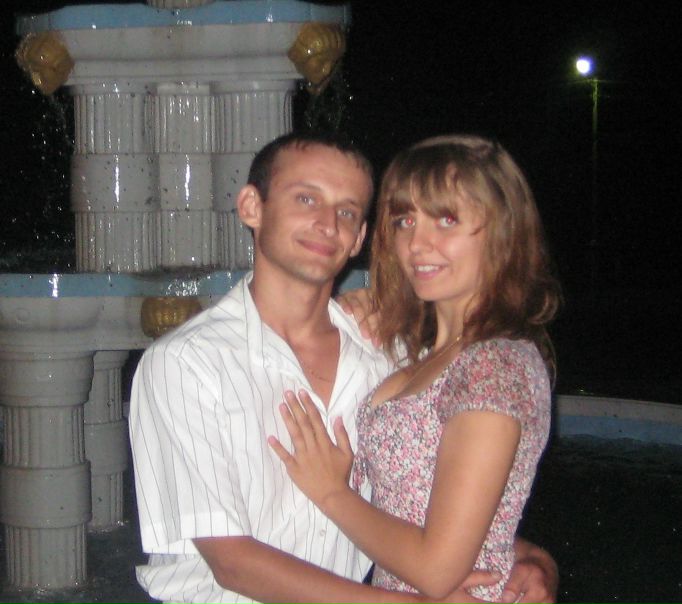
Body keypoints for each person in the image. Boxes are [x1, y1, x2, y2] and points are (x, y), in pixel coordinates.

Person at [129, 131, 558, 604]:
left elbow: (433, 508)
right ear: (252, 206)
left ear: (359, 238)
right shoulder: (187, 364)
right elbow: (231, 563)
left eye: (348, 212)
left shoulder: (386, 358)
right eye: (306, 198)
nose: (327, 223)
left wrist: (529, 558)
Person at [269, 134, 561, 602]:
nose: (417, 244)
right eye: (405, 220)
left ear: (502, 230)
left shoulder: (493, 365)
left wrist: (332, 492)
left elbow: (436, 569)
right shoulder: (434, 355)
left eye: (446, 219)